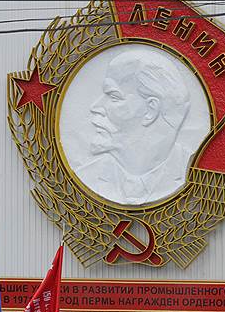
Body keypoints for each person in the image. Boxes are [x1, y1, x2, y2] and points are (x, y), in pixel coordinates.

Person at [74, 47, 197, 205]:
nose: (96, 107)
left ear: (151, 110)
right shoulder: (87, 175)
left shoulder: (199, 174)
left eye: (113, 96)